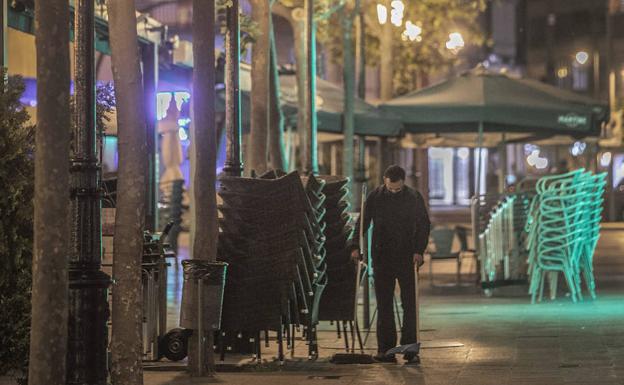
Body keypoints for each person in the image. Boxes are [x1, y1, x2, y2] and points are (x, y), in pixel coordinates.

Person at [352, 165, 431, 364]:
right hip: (382, 257)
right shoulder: (375, 197)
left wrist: (419, 251)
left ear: (403, 182)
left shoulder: (413, 197)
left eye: (397, 189)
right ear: (385, 181)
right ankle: (385, 350)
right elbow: (363, 221)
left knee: (410, 304)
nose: (394, 191)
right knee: (384, 304)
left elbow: (423, 224)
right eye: (390, 188)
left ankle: (410, 349)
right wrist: (354, 245)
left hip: (407, 256)